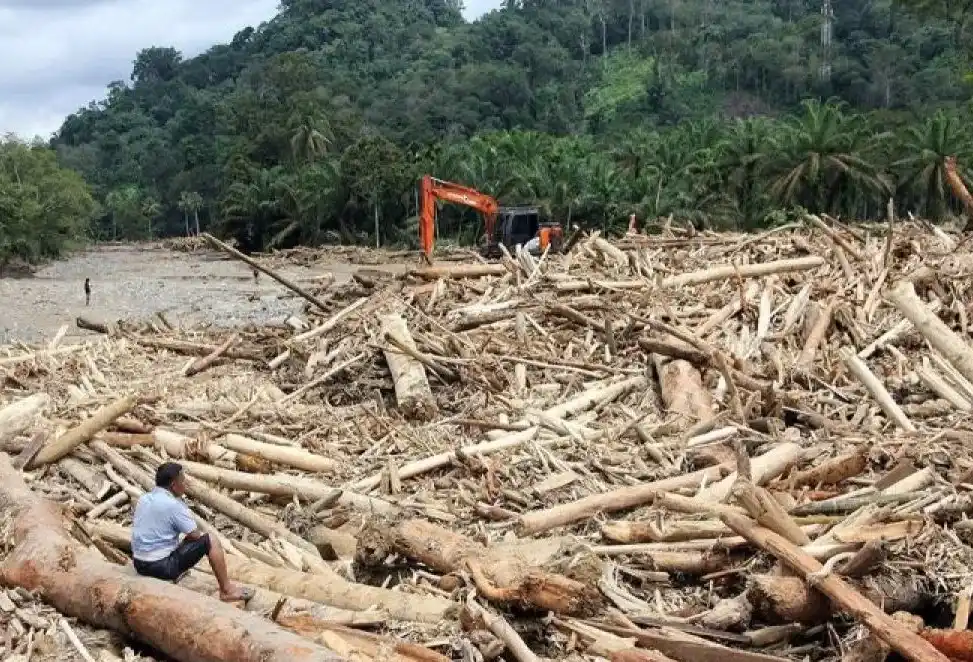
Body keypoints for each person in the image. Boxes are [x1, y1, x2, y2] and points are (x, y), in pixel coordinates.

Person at [131, 462, 251, 602]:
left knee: (184, 539)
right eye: (183, 481)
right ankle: (226, 590)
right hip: (161, 567)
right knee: (210, 540)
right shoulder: (174, 505)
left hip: (139, 563)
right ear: (174, 485)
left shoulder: (144, 499)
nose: (185, 484)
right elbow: (195, 534)